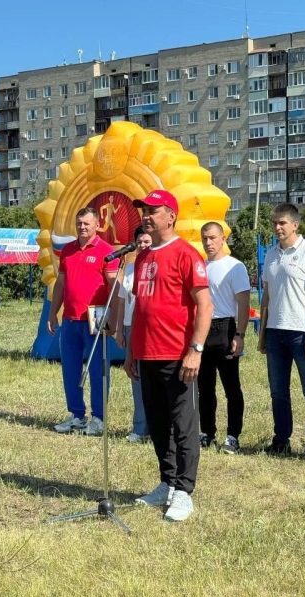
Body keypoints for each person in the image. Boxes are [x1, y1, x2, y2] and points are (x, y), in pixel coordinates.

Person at [124, 189, 213, 522]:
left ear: (170, 216)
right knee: (158, 424)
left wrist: (196, 349)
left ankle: (184, 492)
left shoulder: (186, 254)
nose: (146, 216)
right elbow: (141, 308)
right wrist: (132, 350)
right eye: (143, 211)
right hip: (146, 353)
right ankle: (167, 481)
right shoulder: (143, 255)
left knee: (184, 425)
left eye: (153, 210)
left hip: (177, 354)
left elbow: (205, 305)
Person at [259, 203, 305, 458]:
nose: (277, 227)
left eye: (282, 223)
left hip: (301, 332)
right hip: (276, 332)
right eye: (275, 223)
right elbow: (267, 295)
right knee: (278, 390)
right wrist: (264, 332)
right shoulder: (271, 254)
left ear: (295, 225)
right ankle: (281, 440)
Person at [48, 207, 119, 436]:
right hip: (70, 319)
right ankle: (77, 415)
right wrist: (53, 313)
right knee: (70, 369)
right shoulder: (68, 250)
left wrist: (113, 318)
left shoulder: (106, 251)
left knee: (98, 370)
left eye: (87, 223)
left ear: (97, 225)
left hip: (96, 318)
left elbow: (113, 287)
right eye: (79, 223)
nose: (82, 227)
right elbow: (60, 284)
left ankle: (99, 417)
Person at [198, 222, 250, 454]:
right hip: (203, 329)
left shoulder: (235, 267)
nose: (208, 243)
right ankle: (207, 432)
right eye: (204, 239)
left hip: (226, 327)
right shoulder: (200, 267)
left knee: (231, 387)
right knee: (204, 387)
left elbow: (244, 303)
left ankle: (232, 436)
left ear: (222, 239)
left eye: (212, 238)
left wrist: (239, 334)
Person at [115, 226, 154, 443]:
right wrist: (120, 329)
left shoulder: (156, 266)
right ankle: (140, 429)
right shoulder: (129, 268)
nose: (143, 246)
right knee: (136, 378)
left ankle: (157, 428)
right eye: (140, 242)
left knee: (153, 379)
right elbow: (121, 301)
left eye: (147, 242)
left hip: (151, 329)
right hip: (131, 328)